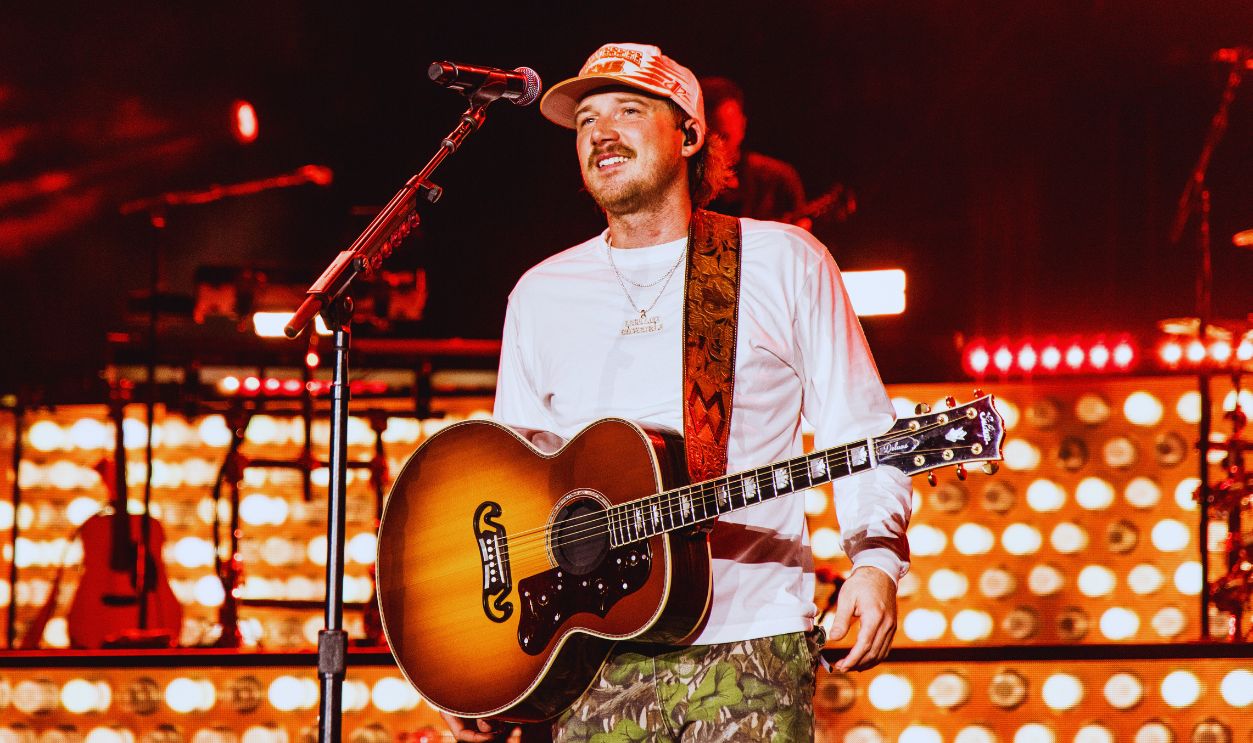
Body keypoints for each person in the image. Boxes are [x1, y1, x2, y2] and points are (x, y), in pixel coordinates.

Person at [443, 42, 911, 742]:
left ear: (690, 135)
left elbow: (859, 426)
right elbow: (517, 498)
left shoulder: (782, 260)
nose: (601, 131)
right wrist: (485, 665)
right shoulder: (540, 294)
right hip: (593, 657)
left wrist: (875, 563)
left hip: (750, 638)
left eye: (629, 110)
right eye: (585, 120)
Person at [701, 76, 807, 225]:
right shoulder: (682, 186)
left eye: (724, 137)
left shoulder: (779, 180)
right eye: (708, 140)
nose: (716, 149)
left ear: (742, 126)